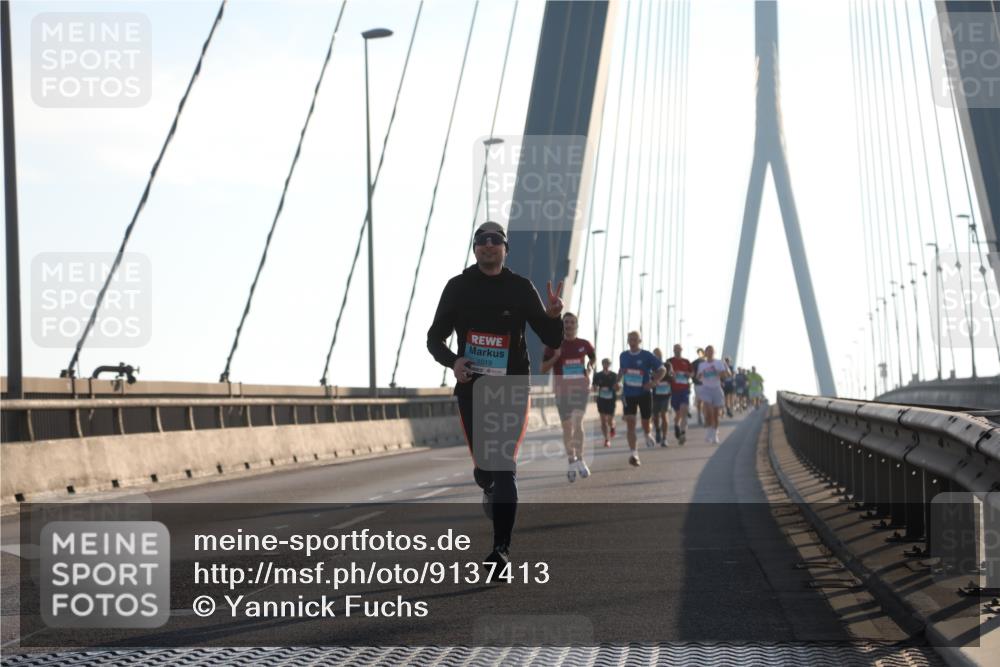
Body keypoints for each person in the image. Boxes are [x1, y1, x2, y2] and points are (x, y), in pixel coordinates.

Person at [427, 221, 564, 567]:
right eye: (482, 240)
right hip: (472, 389)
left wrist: (554, 317)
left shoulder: (520, 287)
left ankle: (501, 551)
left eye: (495, 240)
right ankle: (487, 484)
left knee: (504, 467)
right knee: (485, 470)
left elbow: (552, 339)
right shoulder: (458, 287)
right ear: (475, 249)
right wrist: (454, 361)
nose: (488, 245)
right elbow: (434, 338)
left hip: (512, 387)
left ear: (505, 249)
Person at [542, 312, 595, 482]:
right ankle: (571, 461)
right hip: (562, 391)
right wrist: (556, 356)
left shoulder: (584, 344)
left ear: (576, 325)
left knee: (578, 423)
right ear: (562, 325)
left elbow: (592, 359)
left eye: (572, 322)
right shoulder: (553, 346)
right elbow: (543, 369)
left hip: (580, 390)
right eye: (566, 322)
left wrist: (590, 368)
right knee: (567, 427)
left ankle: (580, 459)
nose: (569, 325)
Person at [617, 331, 667, 466]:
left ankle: (647, 433)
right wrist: (617, 381)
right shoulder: (623, 355)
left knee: (645, 421)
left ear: (640, 341)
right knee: (631, 423)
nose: (632, 341)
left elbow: (662, 369)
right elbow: (621, 370)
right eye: (630, 339)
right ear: (628, 341)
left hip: (644, 393)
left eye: (635, 339)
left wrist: (654, 382)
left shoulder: (647, 355)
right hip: (628, 394)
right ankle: (634, 454)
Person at [694, 345, 730, 444]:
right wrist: (700, 375)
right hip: (706, 389)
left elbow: (725, 375)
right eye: (708, 351)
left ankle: (714, 435)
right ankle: (709, 432)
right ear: (705, 353)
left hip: (716, 389)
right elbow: (698, 377)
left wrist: (719, 372)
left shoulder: (718, 363)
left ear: (714, 352)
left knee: (715, 414)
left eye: (711, 351)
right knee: (708, 412)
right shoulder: (702, 365)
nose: (710, 352)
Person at [667, 344, 693, 445]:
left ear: (682, 350)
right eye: (675, 350)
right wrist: (673, 374)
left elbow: (692, 373)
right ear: (673, 350)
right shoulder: (669, 361)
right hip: (674, 391)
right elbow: (666, 373)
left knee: (684, 412)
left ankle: (683, 433)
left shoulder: (686, 361)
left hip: (684, 390)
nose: (677, 351)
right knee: (678, 413)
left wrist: (688, 374)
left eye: (679, 349)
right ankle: (676, 426)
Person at [591, 358, 618, 448]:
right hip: (601, 399)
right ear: (602, 364)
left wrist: (616, 387)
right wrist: (594, 388)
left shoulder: (614, 375)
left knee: (610, 420)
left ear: (610, 365)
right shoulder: (598, 375)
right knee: (603, 421)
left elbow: (618, 388)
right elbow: (594, 387)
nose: (606, 365)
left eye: (608, 363)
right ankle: (607, 439)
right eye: (604, 363)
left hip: (611, 399)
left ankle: (612, 427)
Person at [651, 347, 673, 446]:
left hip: (666, 395)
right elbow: (648, 378)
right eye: (655, 354)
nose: (657, 356)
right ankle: (657, 430)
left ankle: (664, 438)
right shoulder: (651, 366)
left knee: (664, 415)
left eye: (658, 354)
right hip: (655, 395)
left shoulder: (667, 365)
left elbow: (672, 377)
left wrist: (666, 375)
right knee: (655, 417)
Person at [692, 347, 706, 426]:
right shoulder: (695, 363)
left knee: (705, 401)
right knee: (700, 401)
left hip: (707, 384)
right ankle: (700, 416)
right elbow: (692, 373)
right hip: (698, 384)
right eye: (699, 352)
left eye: (701, 352)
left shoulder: (707, 362)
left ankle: (703, 416)